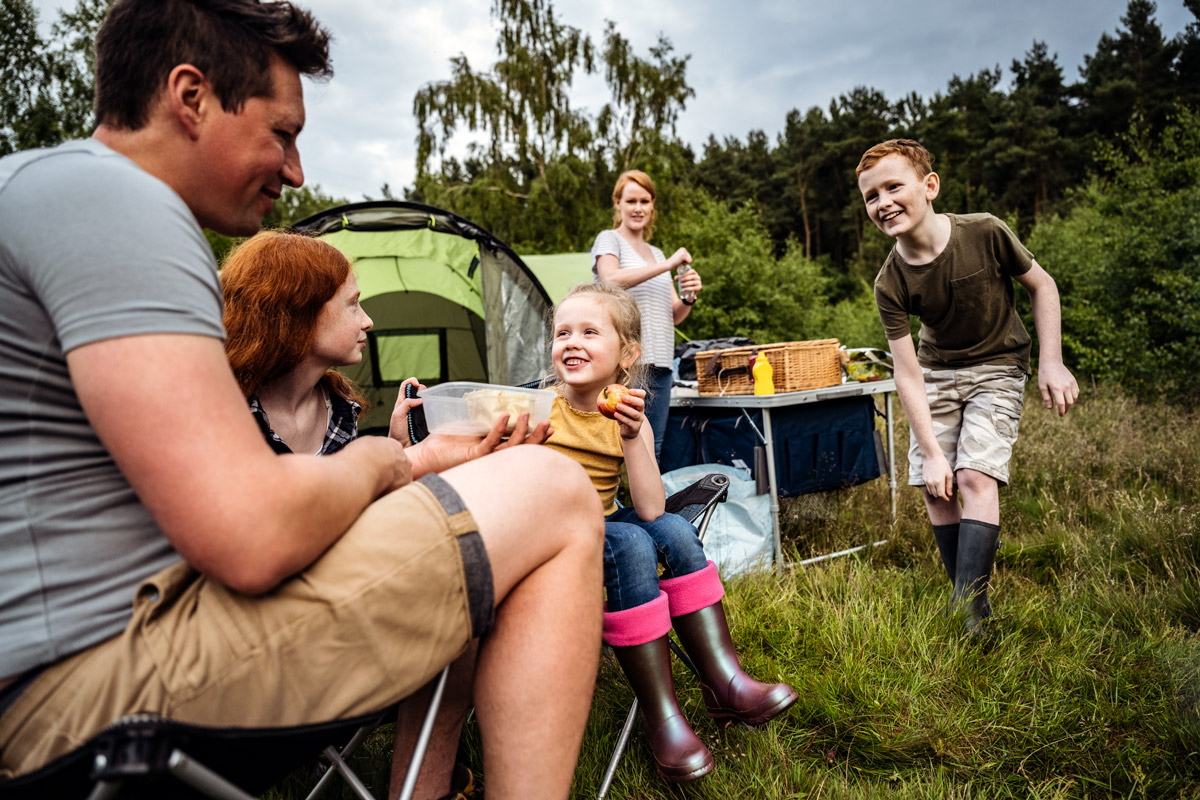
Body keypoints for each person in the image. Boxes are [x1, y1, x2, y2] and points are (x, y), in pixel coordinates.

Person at [0, 2, 604, 798]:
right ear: (191, 98)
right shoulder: (114, 202)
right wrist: (384, 459)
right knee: (553, 492)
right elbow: (251, 533)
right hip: (78, 693)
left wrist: (417, 459)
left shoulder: (33, 185)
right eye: (282, 133)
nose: (295, 171)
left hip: (62, 664)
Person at [221, 229, 508, 799]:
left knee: (462, 595)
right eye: (353, 304)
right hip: (254, 636)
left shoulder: (341, 409)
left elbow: (359, 512)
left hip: (344, 607)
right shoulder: (223, 411)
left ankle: (426, 787)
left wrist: (418, 461)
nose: (369, 320)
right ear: (296, 314)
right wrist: (416, 459)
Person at [542, 282, 796, 783]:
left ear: (627, 354)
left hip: (608, 521)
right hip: (557, 536)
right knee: (633, 542)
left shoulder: (628, 415)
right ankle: (663, 717)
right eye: (562, 332)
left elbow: (651, 507)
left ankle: (724, 681)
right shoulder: (542, 409)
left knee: (675, 531)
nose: (571, 341)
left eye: (590, 332)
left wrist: (634, 437)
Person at [855, 138, 1079, 633]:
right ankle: (972, 605)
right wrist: (932, 452)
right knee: (937, 486)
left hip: (998, 366)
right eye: (872, 196)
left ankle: (968, 609)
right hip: (935, 373)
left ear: (929, 186)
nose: (883, 202)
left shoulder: (985, 232)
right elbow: (907, 371)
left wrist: (1052, 361)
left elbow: (1043, 285)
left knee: (975, 476)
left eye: (894, 186)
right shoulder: (890, 282)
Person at [592, 170, 703, 460]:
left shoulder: (655, 252)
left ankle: (649, 506)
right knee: (617, 445)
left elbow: (674, 315)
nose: (638, 208)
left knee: (652, 447)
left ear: (653, 205)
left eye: (644, 201)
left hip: (662, 363)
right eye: (631, 201)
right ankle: (612, 504)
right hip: (627, 363)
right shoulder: (610, 240)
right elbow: (610, 280)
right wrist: (668, 265)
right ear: (618, 203)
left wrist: (689, 297)